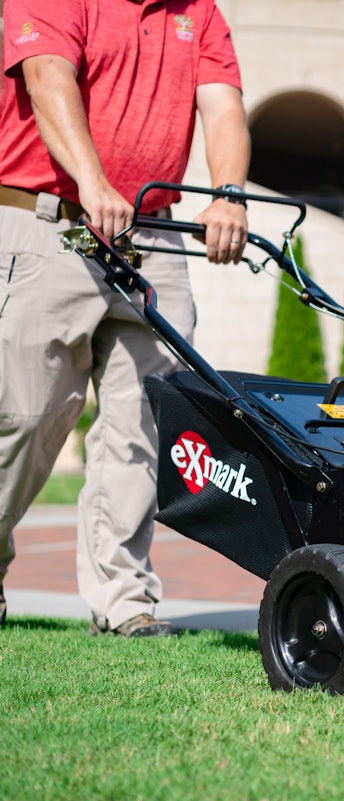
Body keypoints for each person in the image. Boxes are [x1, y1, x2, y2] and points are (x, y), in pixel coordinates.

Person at [0, 0, 250, 636]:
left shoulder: (201, 15)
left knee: (140, 426)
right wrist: (92, 180)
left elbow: (222, 106)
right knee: (25, 418)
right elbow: (46, 76)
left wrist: (227, 195)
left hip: (154, 238)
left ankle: (123, 600)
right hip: (51, 220)